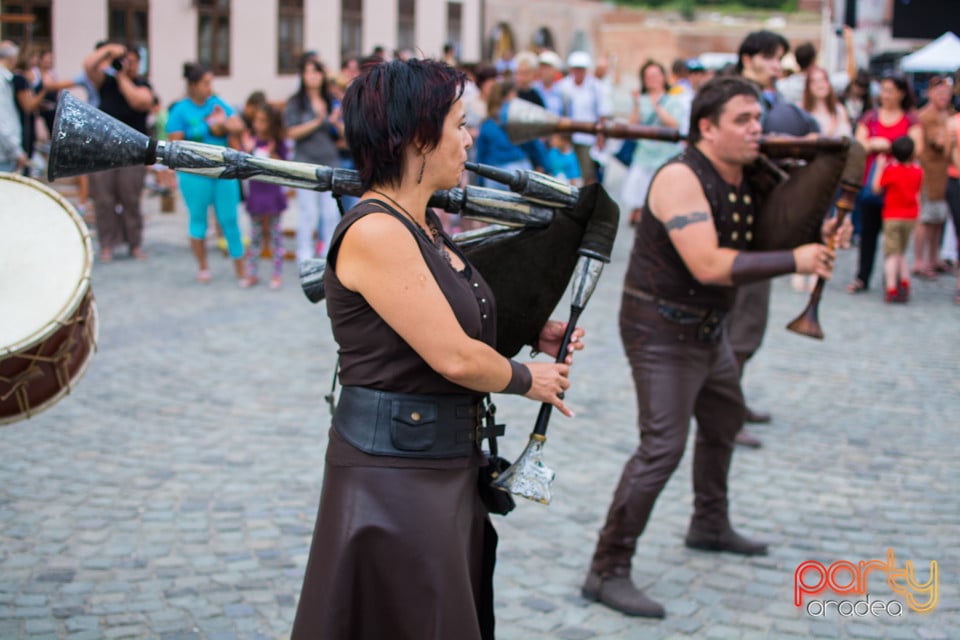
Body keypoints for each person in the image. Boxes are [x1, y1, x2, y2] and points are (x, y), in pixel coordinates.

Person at [290, 57, 583, 640]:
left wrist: (535, 330)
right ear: (421, 137)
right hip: (394, 478)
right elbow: (452, 356)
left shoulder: (420, 220)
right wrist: (531, 378)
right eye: (459, 123)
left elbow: (442, 317)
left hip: (437, 465)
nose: (469, 137)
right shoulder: (378, 230)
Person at [581, 75, 838, 619]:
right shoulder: (678, 178)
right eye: (742, 120)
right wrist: (799, 259)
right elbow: (709, 264)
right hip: (660, 328)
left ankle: (709, 523)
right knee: (661, 449)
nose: (756, 129)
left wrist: (819, 217)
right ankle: (606, 569)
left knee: (723, 421)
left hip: (706, 328)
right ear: (706, 127)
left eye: (757, 118)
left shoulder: (749, 172)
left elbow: (778, 225)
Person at [726, 30, 820, 446]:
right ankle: (724, 415)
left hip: (758, 223)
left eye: (780, 57)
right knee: (739, 326)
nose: (776, 65)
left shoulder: (767, 101)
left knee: (748, 325)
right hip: (735, 226)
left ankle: (732, 400)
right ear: (748, 58)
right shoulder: (734, 99)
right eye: (769, 57)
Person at [166, 62, 246, 283]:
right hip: (194, 173)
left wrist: (224, 125)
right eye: (205, 83)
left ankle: (240, 268)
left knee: (229, 218)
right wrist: (209, 127)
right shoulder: (180, 110)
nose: (209, 88)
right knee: (198, 219)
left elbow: (237, 125)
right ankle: (203, 266)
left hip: (222, 170)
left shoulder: (217, 103)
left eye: (210, 83)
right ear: (192, 85)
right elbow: (175, 143)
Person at [847, 74, 922, 294]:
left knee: (896, 237)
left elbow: (916, 149)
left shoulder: (910, 119)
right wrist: (872, 144)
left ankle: (894, 278)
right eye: (883, 89)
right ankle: (863, 276)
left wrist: (889, 146)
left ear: (901, 93)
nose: (885, 95)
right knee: (868, 232)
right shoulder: (871, 117)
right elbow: (858, 145)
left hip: (898, 186)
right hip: (872, 183)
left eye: (890, 90)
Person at [82, 42, 154, 261]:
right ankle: (107, 244)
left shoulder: (143, 85)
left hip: (132, 151)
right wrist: (109, 50)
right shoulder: (106, 83)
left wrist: (123, 77)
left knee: (130, 198)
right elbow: (87, 66)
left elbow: (139, 102)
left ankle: (134, 243)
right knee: (103, 198)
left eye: (132, 61)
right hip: (104, 149)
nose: (128, 65)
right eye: (125, 60)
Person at [284, 56, 342, 263]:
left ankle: (328, 256)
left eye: (316, 71)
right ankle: (305, 256)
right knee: (308, 212)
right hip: (305, 162)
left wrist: (335, 122)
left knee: (330, 214)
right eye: (308, 71)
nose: (313, 76)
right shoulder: (296, 103)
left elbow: (343, 134)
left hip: (330, 161)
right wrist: (317, 121)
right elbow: (290, 132)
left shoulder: (331, 100)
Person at [621, 59, 686, 225]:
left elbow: (674, 124)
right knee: (638, 189)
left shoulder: (673, 99)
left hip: (665, 154)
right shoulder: (641, 99)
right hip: (644, 153)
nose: (652, 79)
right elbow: (631, 126)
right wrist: (637, 103)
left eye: (655, 75)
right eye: (648, 76)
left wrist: (657, 105)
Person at [240, 103, 289, 290]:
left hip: (272, 193)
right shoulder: (251, 140)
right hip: (256, 194)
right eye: (256, 120)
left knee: (276, 235)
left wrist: (272, 154)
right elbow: (243, 164)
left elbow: (284, 165)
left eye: (262, 121)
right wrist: (248, 149)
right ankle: (251, 273)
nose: (258, 124)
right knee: (255, 236)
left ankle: (277, 274)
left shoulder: (277, 142)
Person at [871, 136, 923, 303]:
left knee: (891, 254)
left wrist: (879, 167)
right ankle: (905, 282)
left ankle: (891, 287)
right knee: (901, 252)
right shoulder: (917, 171)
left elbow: (876, 188)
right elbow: (918, 194)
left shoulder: (891, 170)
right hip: (910, 216)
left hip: (892, 215)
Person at [913, 76, 953, 279]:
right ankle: (920, 260)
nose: (943, 97)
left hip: (945, 174)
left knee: (939, 219)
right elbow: (937, 143)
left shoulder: (949, 115)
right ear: (930, 94)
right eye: (939, 93)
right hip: (928, 174)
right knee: (925, 219)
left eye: (946, 94)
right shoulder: (925, 116)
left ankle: (933, 256)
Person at [557, 51, 611, 185]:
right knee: (568, 172)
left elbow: (602, 113)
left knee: (587, 172)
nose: (578, 72)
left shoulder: (595, 86)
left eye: (581, 69)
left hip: (588, 137)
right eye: (576, 69)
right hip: (568, 135)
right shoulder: (564, 86)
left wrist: (600, 136)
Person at [0, 41, 28, 173]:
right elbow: (3, 119)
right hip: (4, 155)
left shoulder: (6, 80)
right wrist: (17, 151)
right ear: (12, 59)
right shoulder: (2, 81)